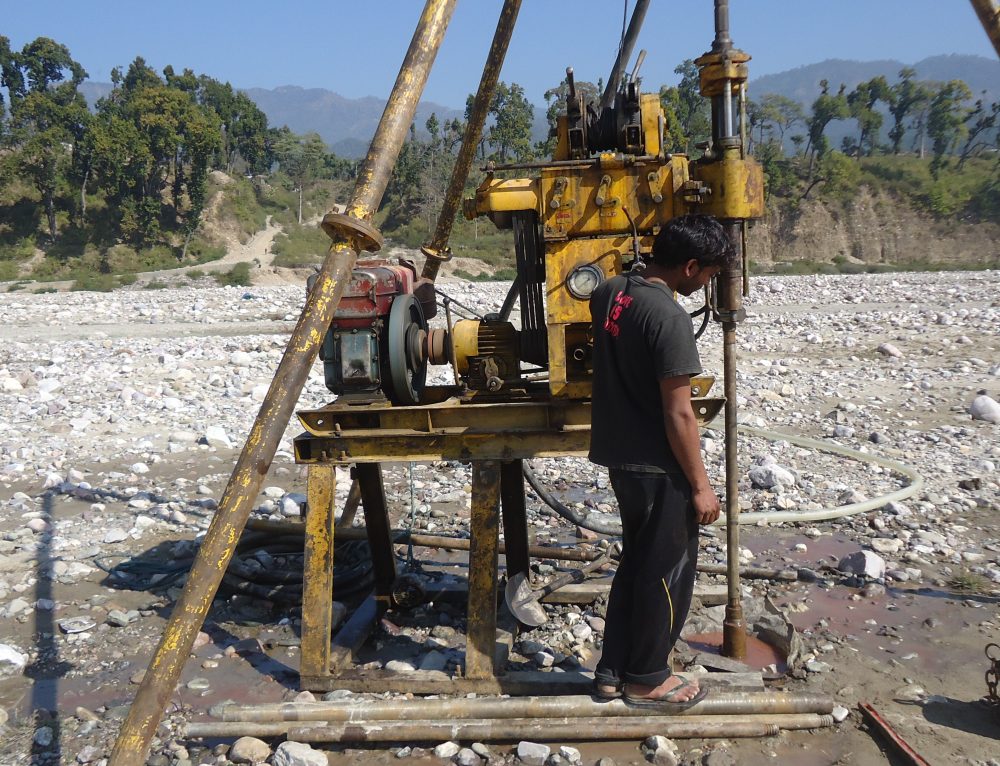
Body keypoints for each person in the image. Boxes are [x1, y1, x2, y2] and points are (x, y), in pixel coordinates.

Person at [588, 214, 729, 708]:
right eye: (708, 274)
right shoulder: (669, 318)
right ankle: (647, 677)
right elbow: (679, 414)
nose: (707, 283)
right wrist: (700, 485)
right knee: (665, 575)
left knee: (635, 564)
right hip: (657, 466)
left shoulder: (609, 292)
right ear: (690, 266)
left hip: (619, 457)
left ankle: (611, 671)